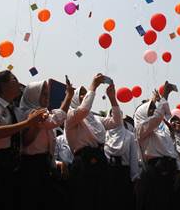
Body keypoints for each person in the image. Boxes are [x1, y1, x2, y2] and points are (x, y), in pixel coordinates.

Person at [0, 70, 47, 210]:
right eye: (14, 79)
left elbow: (24, 141)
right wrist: (27, 123)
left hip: (11, 166)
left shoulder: (16, 112)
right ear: (3, 86)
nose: (19, 83)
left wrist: (36, 125)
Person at [65, 74, 122, 210]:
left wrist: (112, 98)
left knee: (101, 200)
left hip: (100, 160)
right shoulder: (71, 116)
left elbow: (116, 121)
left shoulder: (95, 119)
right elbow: (84, 109)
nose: (85, 97)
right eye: (81, 94)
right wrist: (93, 85)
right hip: (84, 163)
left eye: (86, 94)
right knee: (85, 200)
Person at [18, 79, 74, 210]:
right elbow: (57, 119)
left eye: (47, 93)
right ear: (34, 95)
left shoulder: (43, 113)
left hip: (43, 165)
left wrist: (55, 163)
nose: (47, 97)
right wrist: (69, 96)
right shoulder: (31, 113)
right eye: (43, 93)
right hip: (31, 166)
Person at [134, 81, 180, 210]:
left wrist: (164, 98)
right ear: (142, 114)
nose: (153, 111)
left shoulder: (161, 130)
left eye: (153, 109)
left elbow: (166, 116)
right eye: (150, 109)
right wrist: (164, 95)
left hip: (168, 171)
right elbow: (158, 117)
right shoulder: (141, 129)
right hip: (154, 173)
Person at [105, 108, 140, 209]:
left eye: (118, 116)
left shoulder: (130, 135)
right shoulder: (104, 135)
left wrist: (135, 177)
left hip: (124, 174)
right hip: (109, 172)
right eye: (113, 116)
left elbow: (133, 158)